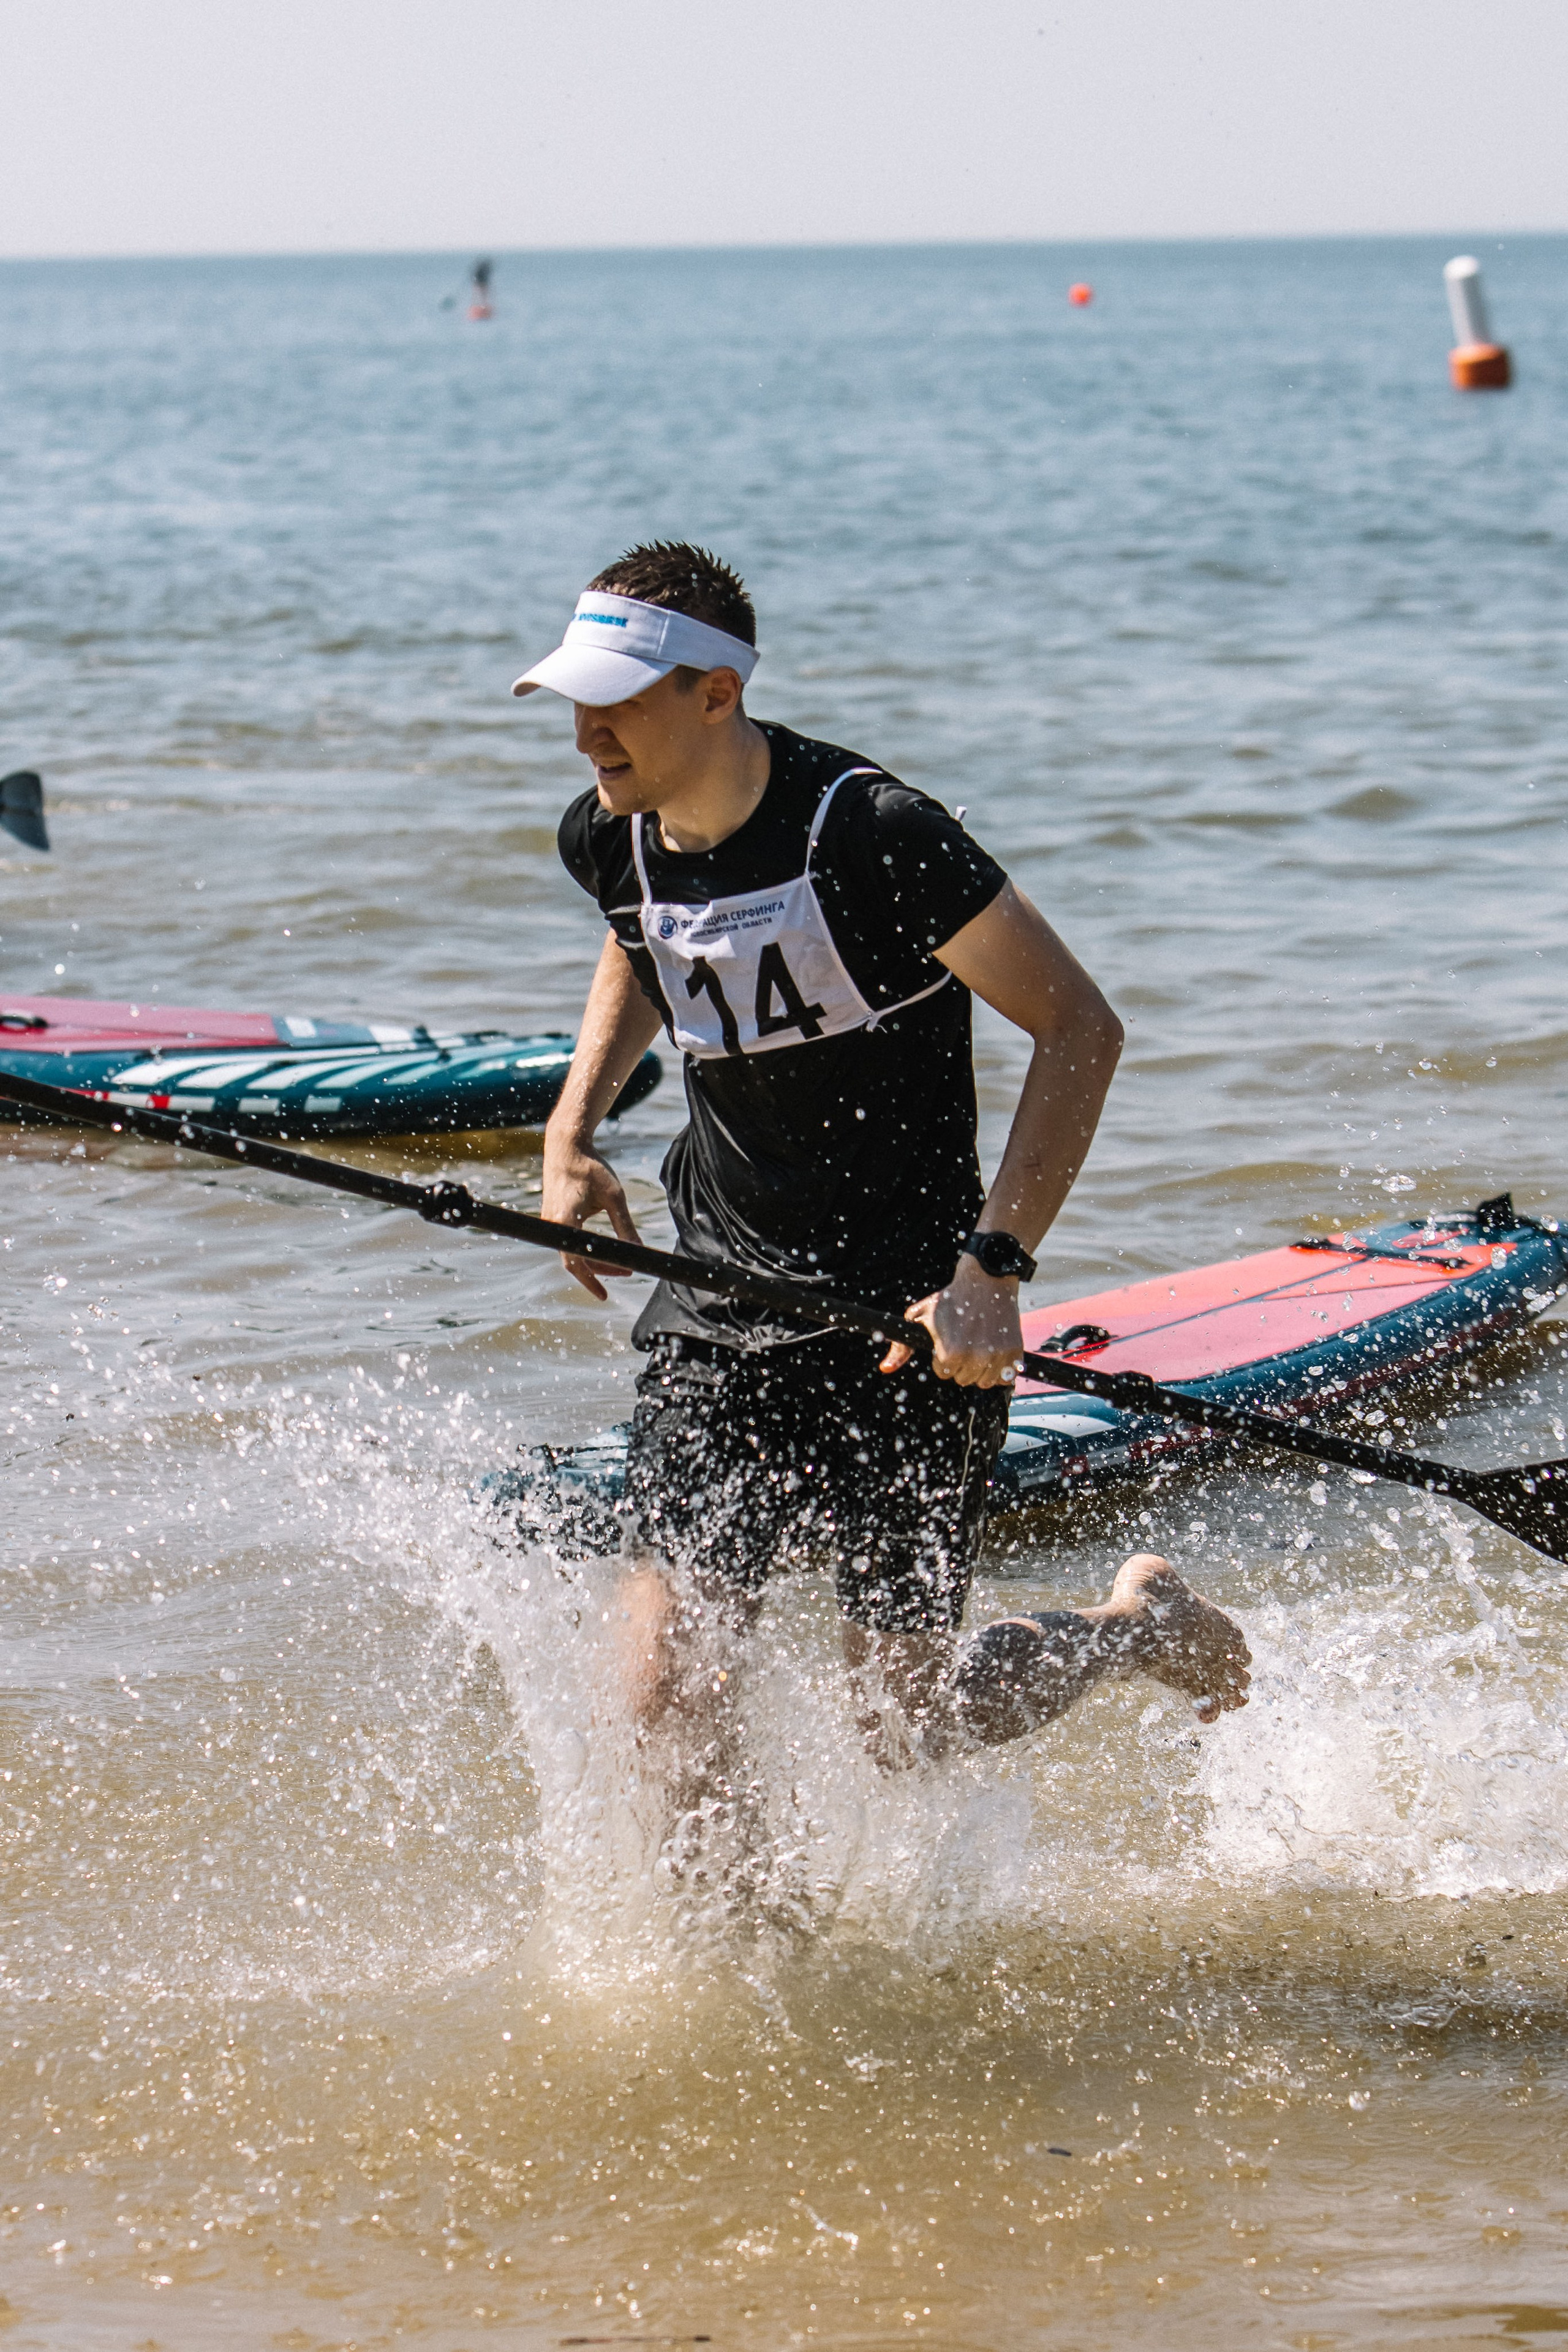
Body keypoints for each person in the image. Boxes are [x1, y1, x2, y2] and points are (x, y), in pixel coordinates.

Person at [516, 542, 1249, 1803]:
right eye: (577, 696)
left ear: (714, 693)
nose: (588, 729)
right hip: (718, 1301)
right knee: (660, 1693)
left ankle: (1134, 1629)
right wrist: (571, 1132)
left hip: (909, 1318)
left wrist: (990, 1272)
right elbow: (640, 945)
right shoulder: (610, 837)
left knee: (897, 1723)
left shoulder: (873, 834)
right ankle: (748, 1973)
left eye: (617, 697)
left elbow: (1079, 1028)